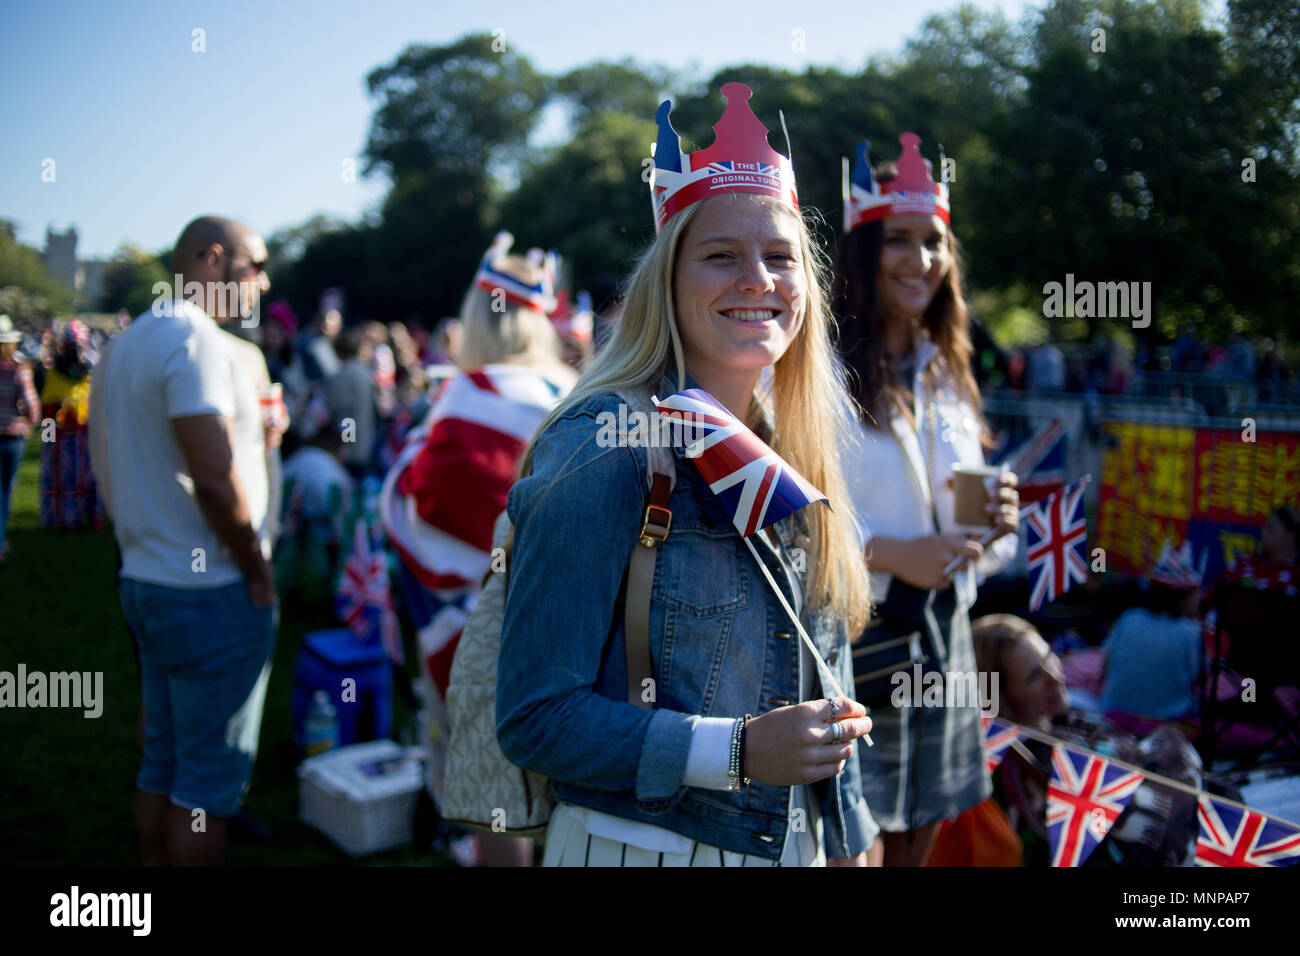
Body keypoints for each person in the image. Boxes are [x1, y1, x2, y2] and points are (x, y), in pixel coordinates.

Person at [495, 83, 878, 866]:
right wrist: (733, 750)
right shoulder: (605, 444)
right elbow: (535, 716)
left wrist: (851, 839)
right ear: (667, 280)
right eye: (720, 256)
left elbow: (819, 682)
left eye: (780, 257)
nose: (757, 280)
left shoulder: (796, 447)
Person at [835, 133, 1020, 866]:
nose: (920, 261)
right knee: (855, 834)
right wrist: (885, 553)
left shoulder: (948, 366)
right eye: (899, 241)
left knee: (925, 828)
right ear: (862, 251)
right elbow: (784, 523)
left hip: (942, 635)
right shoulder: (814, 368)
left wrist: (996, 523)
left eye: (934, 242)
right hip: (857, 631)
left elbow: (964, 525)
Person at [88, 215, 277, 866]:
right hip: (207, 589)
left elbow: (108, 461)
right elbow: (216, 481)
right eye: (256, 266)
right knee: (202, 788)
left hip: (147, 577)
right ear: (212, 260)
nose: (265, 282)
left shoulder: (126, 343)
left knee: (162, 766)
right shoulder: (195, 342)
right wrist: (256, 568)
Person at [382, 233, 576, 866]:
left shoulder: (464, 397)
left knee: (498, 803)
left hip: (478, 628)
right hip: (575, 628)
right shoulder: (579, 394)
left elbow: (416, 511)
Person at [1100, 540, 1205, 722]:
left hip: (1113, 710)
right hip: (1167, 719)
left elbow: (1106, 668)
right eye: (1195, 594)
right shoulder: (1193, 634)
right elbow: (1199, 679)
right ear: (1184, 597)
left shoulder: (1129, 618)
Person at [39, 319, 102, 530]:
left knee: (90, 477)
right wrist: (49, 440)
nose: (76, 351)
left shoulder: (90, 370)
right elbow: (46, 408)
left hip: (85, 432)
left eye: (79, 346)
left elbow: (96, 399)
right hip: (60, 435)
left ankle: (93, 516)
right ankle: (65, 519)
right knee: (63, 478)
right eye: (72, 346)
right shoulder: (55, 372)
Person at [0, 315, 40, 566]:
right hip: (12, 436)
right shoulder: (18, 370)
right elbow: (32, 408)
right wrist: (27, 423)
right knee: (5, 491)